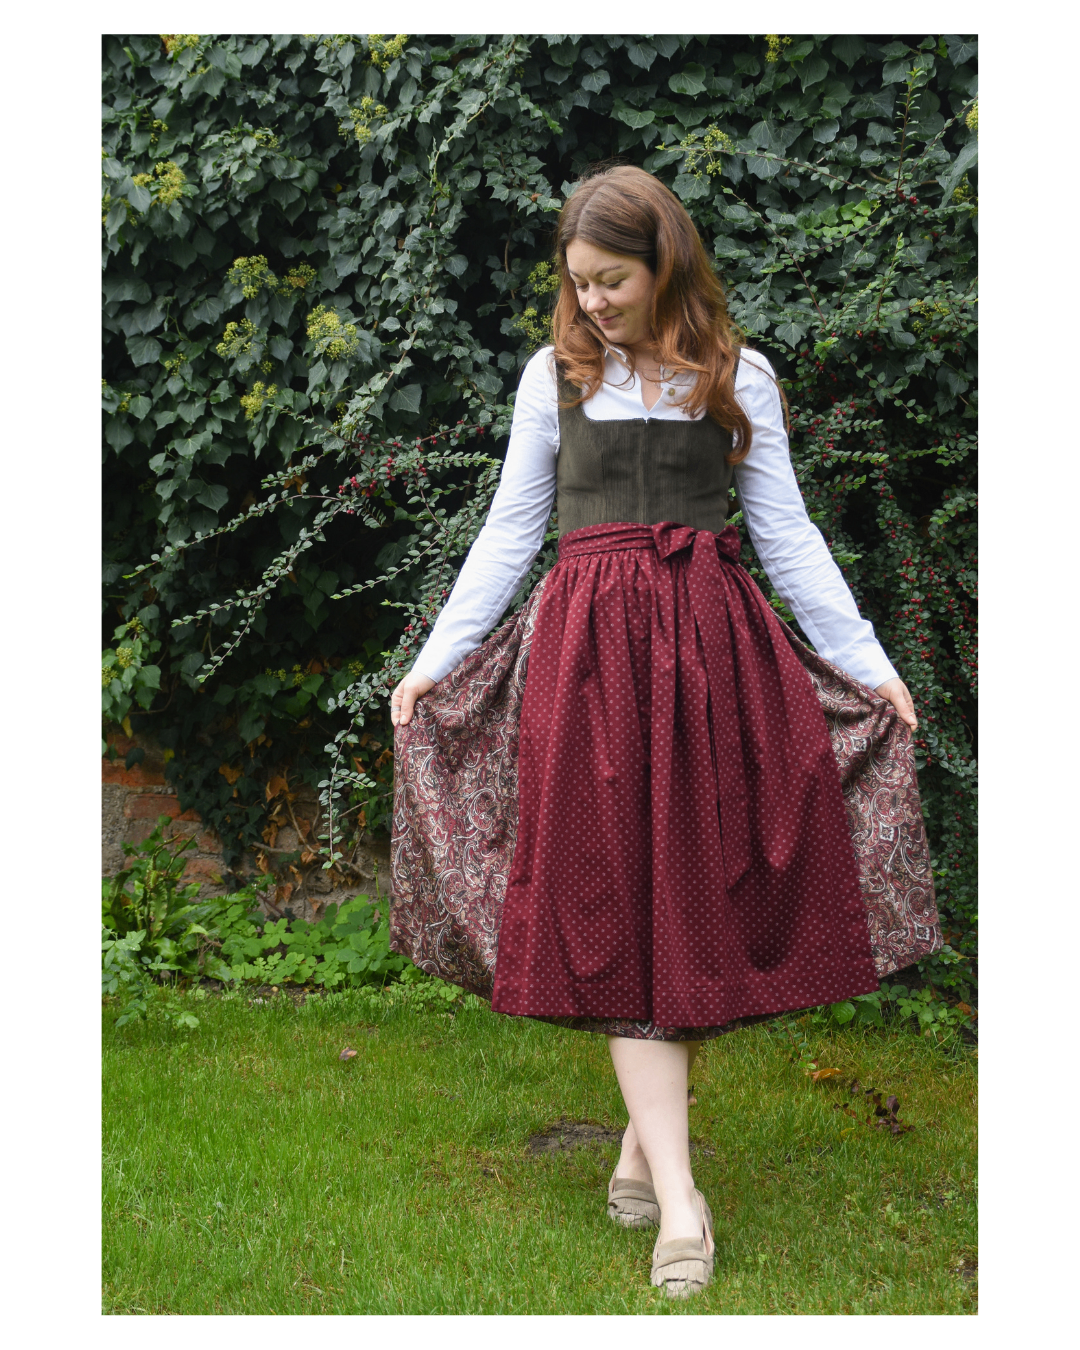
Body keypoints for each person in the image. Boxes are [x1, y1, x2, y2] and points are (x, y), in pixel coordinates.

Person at [388, 165, 933, 1298]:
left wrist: (870, 664)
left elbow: (788, 536)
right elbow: (510, 531)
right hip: (587, 662)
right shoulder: (553, 377)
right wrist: (434, 661)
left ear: (664, 265)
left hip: (709, 656)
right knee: (613, 894)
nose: (592, 302)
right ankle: (682, 1200)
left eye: (613, 281)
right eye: (579, 283)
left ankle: (644, 1146)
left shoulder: (738, 375)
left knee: (695, 895)